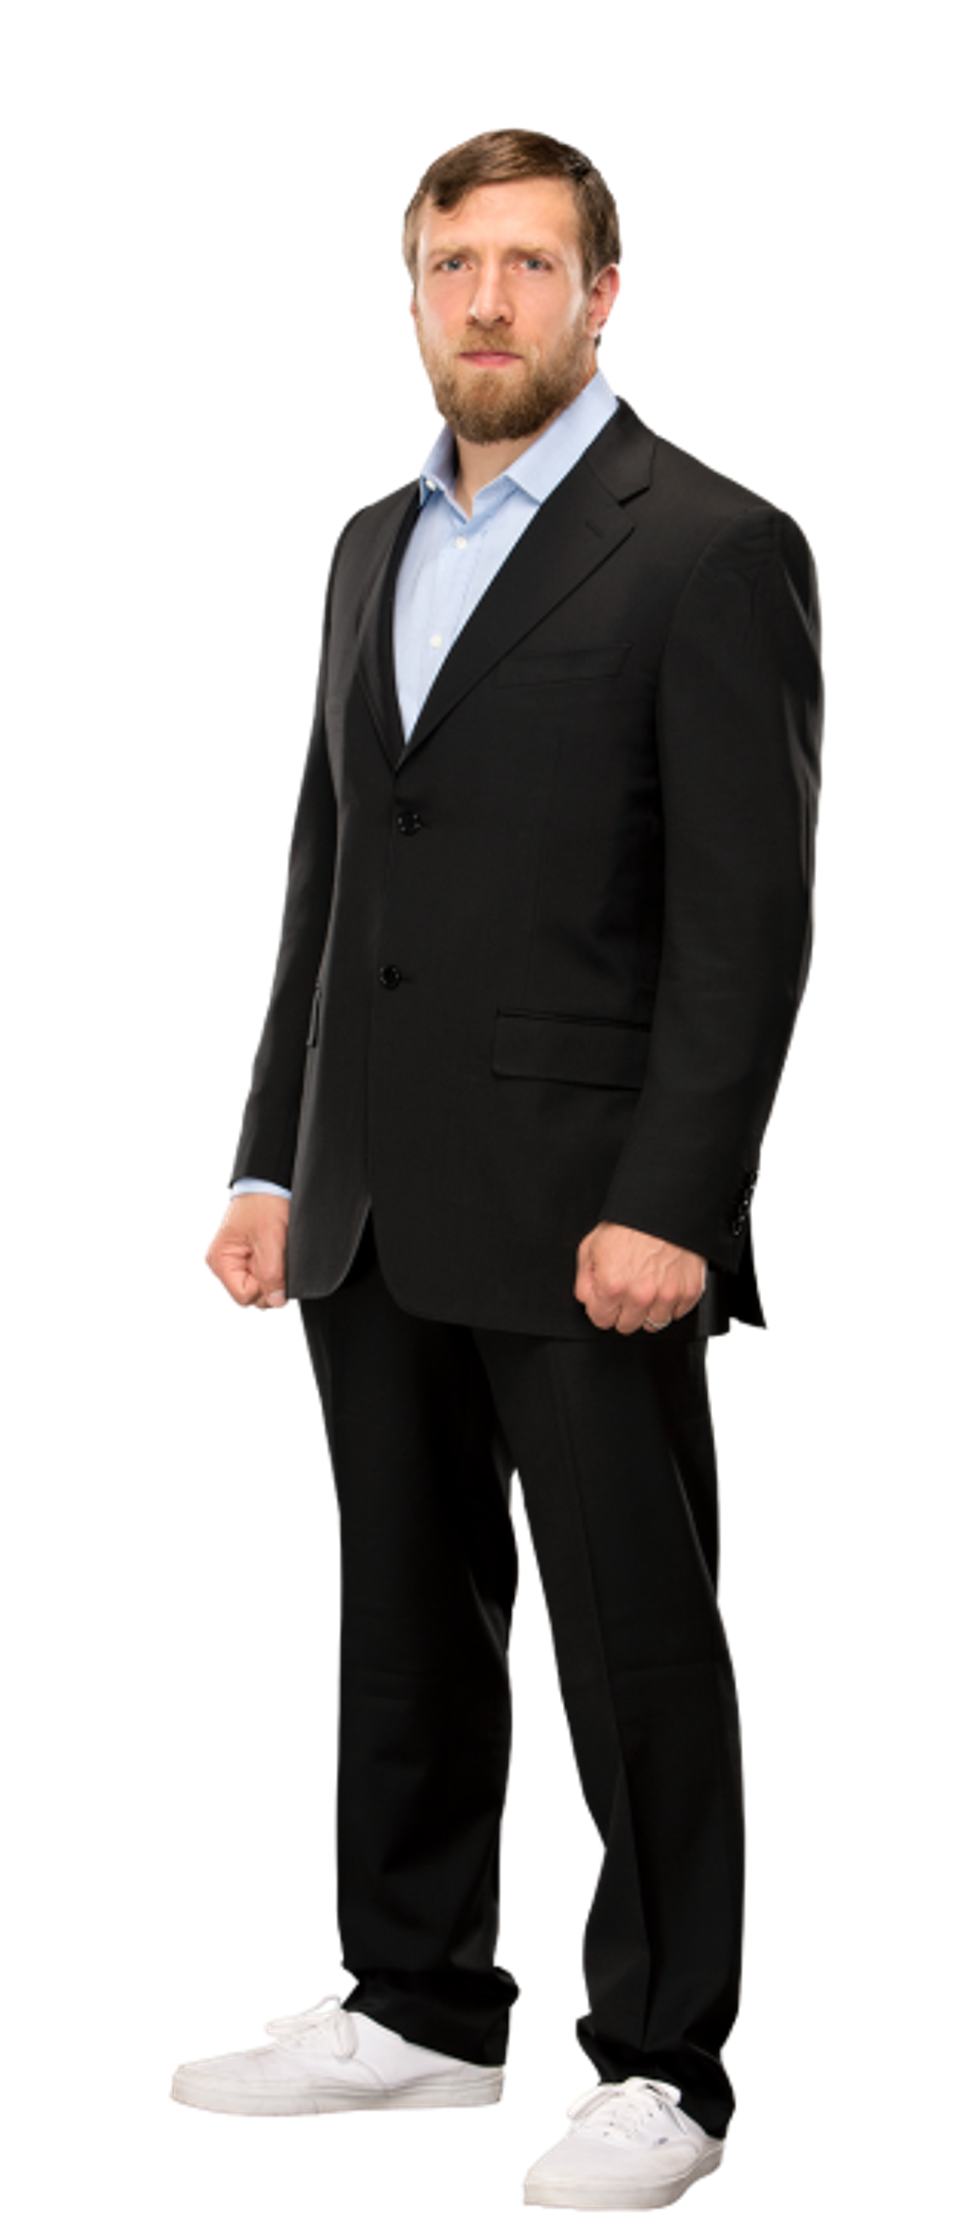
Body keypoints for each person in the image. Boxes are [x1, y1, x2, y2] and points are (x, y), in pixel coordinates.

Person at [176, 127, 825, 2210]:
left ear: (603, 292)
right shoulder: (369, 539)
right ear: (409, 293)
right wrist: (271, 1157)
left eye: (530, 263)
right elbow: (327, 871)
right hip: (368, 1193)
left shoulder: (712, 543)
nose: (486, 299)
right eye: (452, 263)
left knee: (636, 1640)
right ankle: (420, 2006)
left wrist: (678, 1198)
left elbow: (748, 920)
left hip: (586, 1206)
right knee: (398, 1614)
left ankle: (663, 2066)